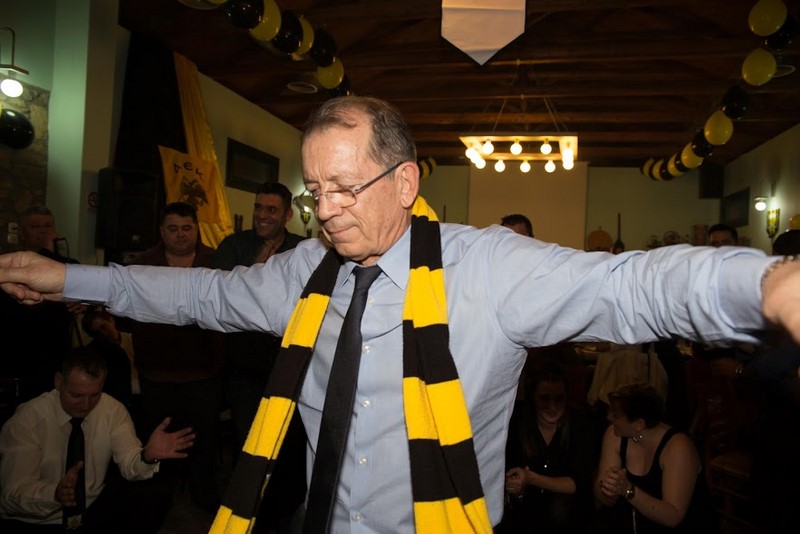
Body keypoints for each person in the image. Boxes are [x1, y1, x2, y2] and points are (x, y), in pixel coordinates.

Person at [0, 96, 799, 533]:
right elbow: (200, 295)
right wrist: (69, 277)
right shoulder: (302, 274)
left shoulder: (488, 269)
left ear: (407, 183)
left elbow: (628, 287)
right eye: (318, 191)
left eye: (348, 188)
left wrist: (764, 287)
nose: (328, 210)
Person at [0, 345, 195, 533]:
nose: (86, 405)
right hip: (36, 519)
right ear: (59, 382)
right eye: (76, 395)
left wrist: (147, 456)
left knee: (151, 492)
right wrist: (55, 493)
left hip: (90, 513)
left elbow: (129, 464)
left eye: (94, 395)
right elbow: (12, 495)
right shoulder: (27, 421)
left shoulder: (112, 410)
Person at [211, 182, 307, 533]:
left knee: (290, 448)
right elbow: (220, 293)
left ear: (287, 215)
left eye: (271, 210)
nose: (262, 216)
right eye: (258, 208)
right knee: (248, 445)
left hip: (292, 369)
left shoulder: (301, 249)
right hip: (245, 369)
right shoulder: (234, 246)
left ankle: (283, 517)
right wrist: (257, 268)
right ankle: (247, 518)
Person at [127, 201, 224, 515]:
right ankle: (158, 505)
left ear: (196, 229)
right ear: (161, 231)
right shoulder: (142, 265)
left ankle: (204, 503)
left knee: (204, 444)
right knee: (160, 442)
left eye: (186, 228)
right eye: (173, 228)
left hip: (204, 373)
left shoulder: (216, 262)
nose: (180, 235)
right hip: (157, 374)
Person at [595, 383, 712, 534]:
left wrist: (629, 490)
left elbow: (673, 517)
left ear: (638, 424)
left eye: (615, 415)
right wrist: (609, 491)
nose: (608, 417)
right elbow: (600, 494)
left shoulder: (678, 447)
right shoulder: (614, 434)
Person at [497, 359, 597, 534]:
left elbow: (578, 484)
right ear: (533, 397)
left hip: (570, 521)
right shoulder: (517, 422)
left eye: (559, 398)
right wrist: (514, 485)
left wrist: (530, 478)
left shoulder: (579, 422)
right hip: (524, 519)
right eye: (544, 398)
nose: (552, 406)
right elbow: (506, 471)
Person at [0, 206, 82, 403]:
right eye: (35, 226)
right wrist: (46, 252)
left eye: (48, 226)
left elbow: (89, 293)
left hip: (57, 354)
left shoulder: (68, 265)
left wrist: (85, 304)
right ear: (22, 233)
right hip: (19, 354)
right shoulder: (10, 266)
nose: (43, 231)